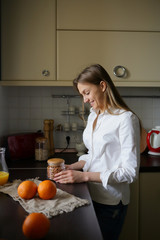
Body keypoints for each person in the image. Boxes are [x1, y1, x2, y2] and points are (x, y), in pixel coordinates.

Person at [54, 64, 141, 240]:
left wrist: (84, 176)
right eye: (82, 95)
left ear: (102, 86)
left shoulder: (125, 119)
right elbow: (94, 156)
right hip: (90, 195)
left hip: (110, 202)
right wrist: (72, 167)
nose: (84, 100)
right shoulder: (94, 114)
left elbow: (130, 172)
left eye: (87, 92)